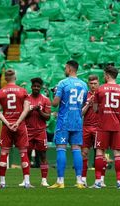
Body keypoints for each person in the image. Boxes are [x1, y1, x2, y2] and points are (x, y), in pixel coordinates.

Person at [49, 60, 88, 189]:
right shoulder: (84, 85)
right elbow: (82, 104)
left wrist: (54, 93)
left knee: (61, 148)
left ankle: (60, 181)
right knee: (76, 149)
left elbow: (55, 103)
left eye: (65, 67)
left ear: (70, 68)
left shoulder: (63, 83)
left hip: (64, 121)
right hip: (77, 120)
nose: (64, 70)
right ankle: (79, 181)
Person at [93, 65, 120, 189]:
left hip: (102, 125)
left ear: (107, 75)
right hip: (116, 125)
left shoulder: (100, 89)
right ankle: (119, 182)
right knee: (117, 154)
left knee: (100, 152)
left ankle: (98, 181)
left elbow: (95, 109)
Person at [0, 69, 31, 188]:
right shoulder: (22, 91)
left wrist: (7, 122)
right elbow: (26, 109)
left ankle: (2, 182)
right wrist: (18, 122)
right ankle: (26, 182)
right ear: (15, 77)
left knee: (4, 152)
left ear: (5, 78)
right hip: (20, 126)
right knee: (23, 153)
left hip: (7, 126)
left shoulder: (1, 92)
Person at [19, 77, 51, 187]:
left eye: (38, 86)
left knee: (42, 155)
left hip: (41, 131)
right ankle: (25, 179)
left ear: (41, 87)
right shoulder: (26, 99)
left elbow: (47, 117)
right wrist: (30, 109)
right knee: (26, 155)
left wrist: (40, 110)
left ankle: (44, 180)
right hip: (28, 131)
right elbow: (22, 115)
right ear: (31, 87)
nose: (36, 88)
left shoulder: (45, 100)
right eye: (34, 86)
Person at [81, 75, 101, 187]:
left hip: (99, 127)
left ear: (98, 83)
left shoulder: (102, 95)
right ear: (88, 84)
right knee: (84, 153)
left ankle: (100, 179)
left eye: (95, 83)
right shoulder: (84, 95)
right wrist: (88, 104)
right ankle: (83, 179)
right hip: (86, 127)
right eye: (91, 83)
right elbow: (81, 113)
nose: (93, 86)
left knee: (100, 154)